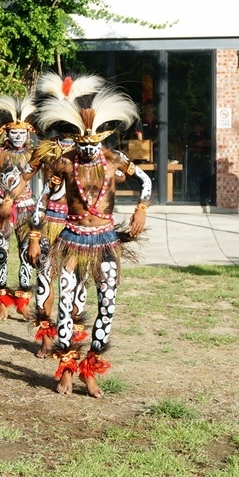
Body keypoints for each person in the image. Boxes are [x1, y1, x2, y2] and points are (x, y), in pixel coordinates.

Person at [34, 79, 152, 398]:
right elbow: (45, 195)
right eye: (81, 143)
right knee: (66, 303)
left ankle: (91, 369)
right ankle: (67, 369)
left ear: (101, 139)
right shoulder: (65, 160)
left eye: (92, 144)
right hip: (71, 239)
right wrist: (36, 231)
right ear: (74, 138)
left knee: (107, 305)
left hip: (104, 241)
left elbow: (145, 180)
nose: (87, 149)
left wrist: (141, 209)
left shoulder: (113, 159)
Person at [23, 71, 104, 358]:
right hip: (50, 222)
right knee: (45, 276)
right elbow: (29, 181)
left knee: (79, 279)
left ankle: (71, 334)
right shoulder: (47, 149)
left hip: (79, 228)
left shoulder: (93, 150)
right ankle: (46, 334)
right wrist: (30, 228)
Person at [0, 95, 38, 320]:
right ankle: (3, 300)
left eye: (22, 133)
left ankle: (23, 301)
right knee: (2, 253)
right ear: (6, 132)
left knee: (26, 255)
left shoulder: (33, 154)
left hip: (26, 209)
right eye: (14, 133)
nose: (18, 136)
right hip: (3, 209)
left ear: (28, 132)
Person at [187, 121, 213, 206]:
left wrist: (202, 144)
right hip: (194, 161)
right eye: (195, 126)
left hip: (205, 160)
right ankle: (192, 197)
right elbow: (190, 148)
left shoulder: (206, 134)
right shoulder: (191, 136)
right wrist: (203, 144)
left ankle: (204, 197)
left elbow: (210, 143)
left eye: (198, 126)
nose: (197, 128)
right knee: (193, 178)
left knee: (205, 179)